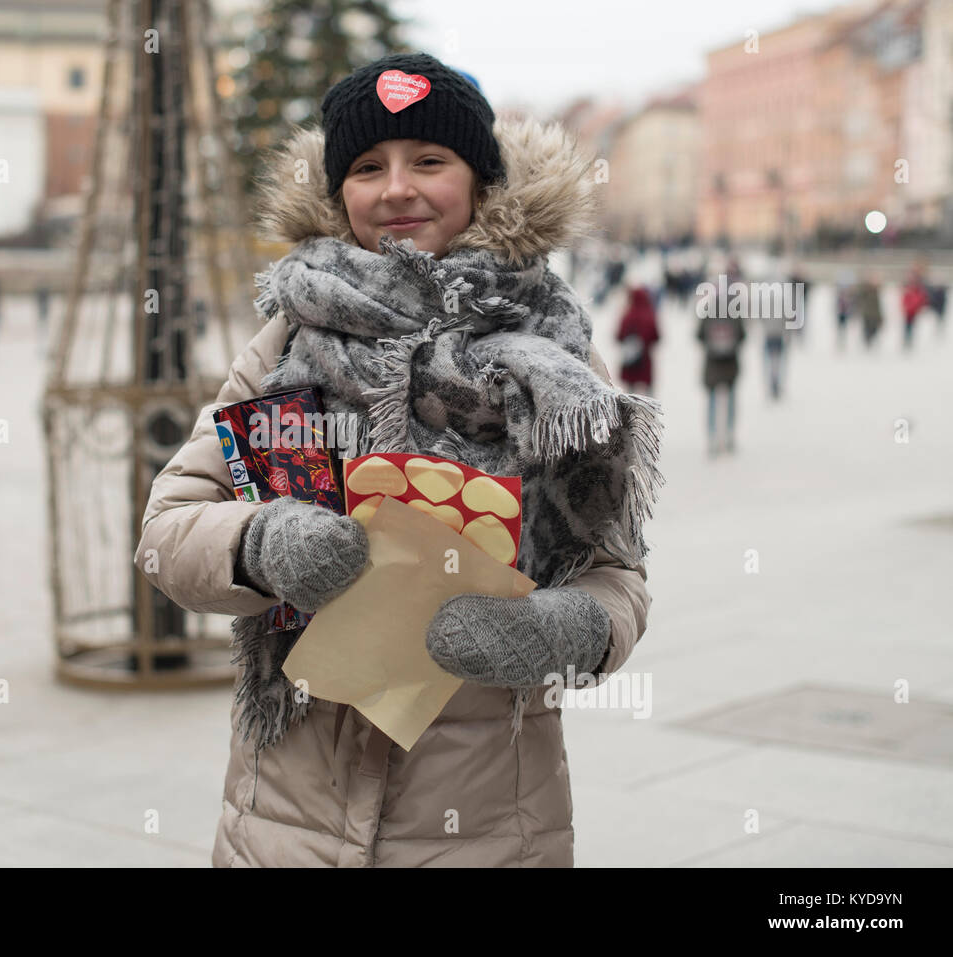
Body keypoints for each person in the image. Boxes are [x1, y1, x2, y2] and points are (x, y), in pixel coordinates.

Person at [134, 53, 661, 868]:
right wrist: (260, 543)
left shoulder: (554, 350)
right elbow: (168, 528)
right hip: (287, 816)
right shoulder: (287, 337)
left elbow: (617, 574)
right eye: (368, 167)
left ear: (480, 181)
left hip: (486, 821)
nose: (396, 188)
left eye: (429, 161)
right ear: (338, 191)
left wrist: (556, 629)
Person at [697, 276, 746, 456]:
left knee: (711, 400)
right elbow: (742, 335)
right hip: (730, 363)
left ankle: (711, 436)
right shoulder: (735, 311)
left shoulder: (708, 310)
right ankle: (730, 434)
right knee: (731, 399)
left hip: (712, 364)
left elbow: (699, 335)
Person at [616, 285, 661, 396]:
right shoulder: (650, 315)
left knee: (630, 394)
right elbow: (657, 337)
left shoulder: (627, 315)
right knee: (648, 392)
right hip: (645, 360)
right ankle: (650, 412)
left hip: (630, 360)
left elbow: (618, 336)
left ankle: (630, 412)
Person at [901, 266, 928, 352]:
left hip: (914, 310)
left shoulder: (918, 287)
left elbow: (922, 298)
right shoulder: (908, 286)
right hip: (908, 310)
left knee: (911, 326)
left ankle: (909, 340)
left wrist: (920, 306)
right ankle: (906, 340)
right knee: (907, 326)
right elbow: (905, 298)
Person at [856, 273, 883, 351]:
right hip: (867, 313)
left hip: (874, 314)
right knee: (867, 329)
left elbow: (878, 305)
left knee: (874, 329)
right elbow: (860, 299)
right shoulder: (865, 290)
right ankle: (867, 342)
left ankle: (870, 341)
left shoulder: (877, 292)